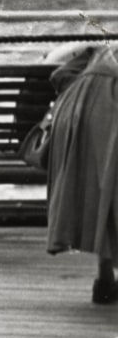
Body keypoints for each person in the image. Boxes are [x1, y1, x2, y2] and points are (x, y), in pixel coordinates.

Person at [43, 42, 118, 304]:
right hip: (108, 116)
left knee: (104, 194)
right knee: (111, 195)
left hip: (76, 119)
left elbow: (56, 73)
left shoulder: (100, 51)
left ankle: (105, 278)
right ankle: (106, 279)